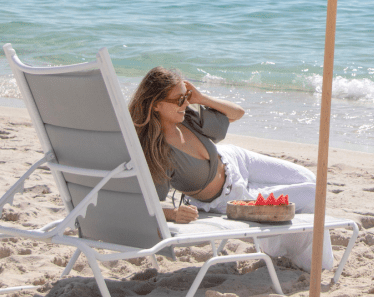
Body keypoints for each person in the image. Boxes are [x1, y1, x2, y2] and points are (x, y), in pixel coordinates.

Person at [128, 66, 333, 271]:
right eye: (179, 100)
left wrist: (201, 98)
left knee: (307, 176)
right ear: (156, 105)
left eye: (186, 96)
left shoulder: (187, 117)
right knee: (312, 193)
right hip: (229, 198)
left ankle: (294, 250)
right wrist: (173, 214)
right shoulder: (156, 153)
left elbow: (237, 113)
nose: (185, 104)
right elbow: (146, 204)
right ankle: (313, 262)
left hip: (236, 159)